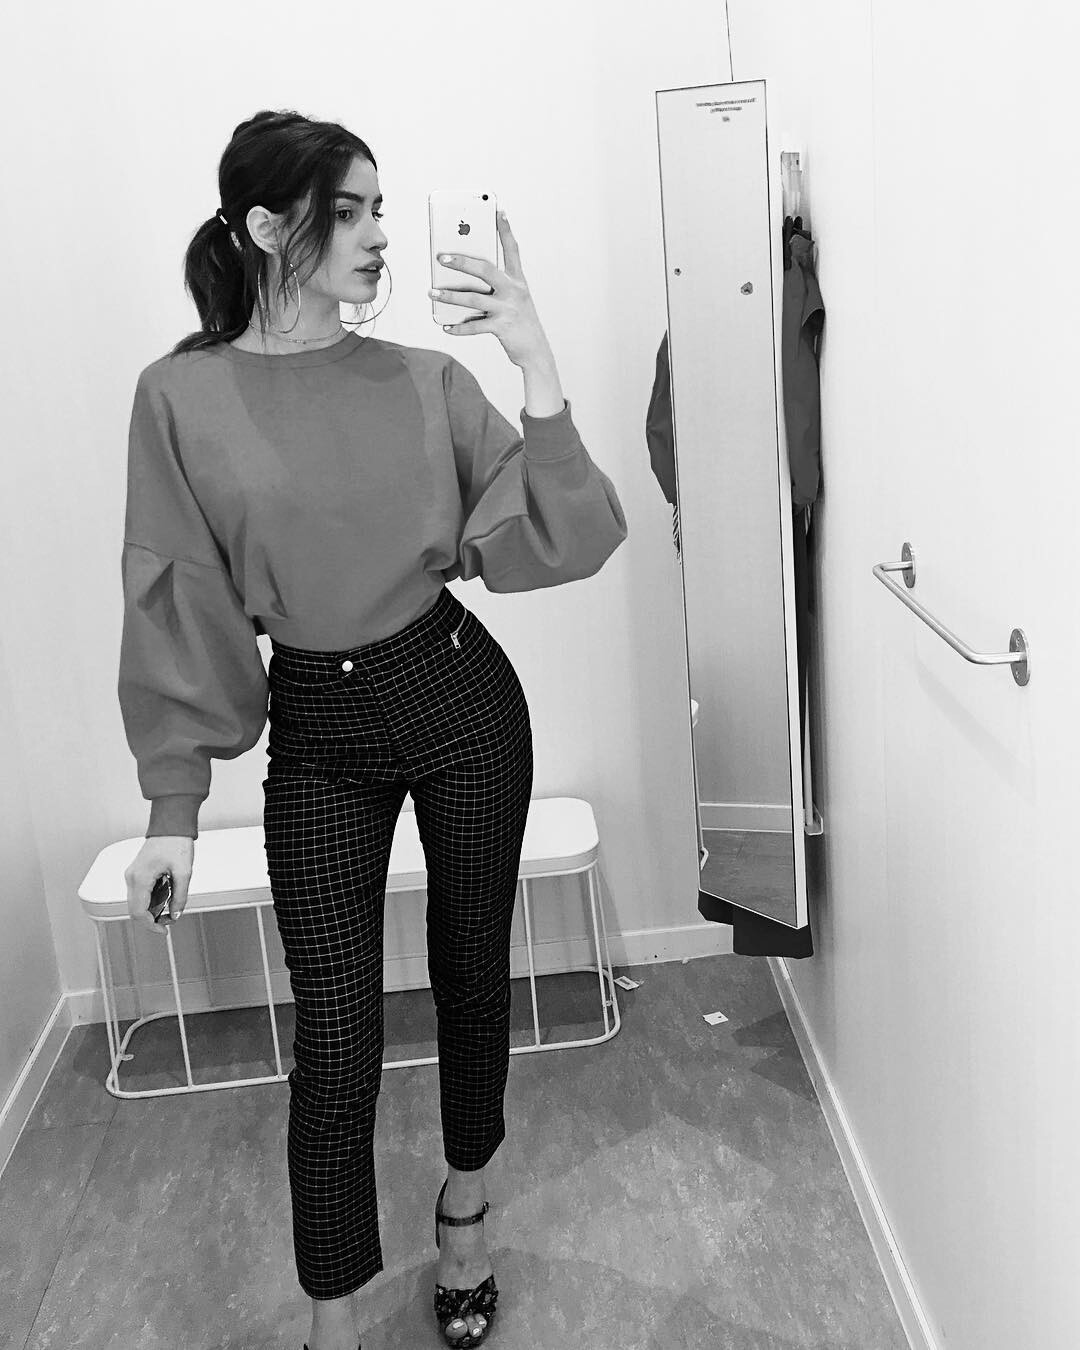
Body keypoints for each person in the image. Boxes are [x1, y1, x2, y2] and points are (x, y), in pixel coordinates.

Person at [117, 109, 628, 1350]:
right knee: (337, 1034)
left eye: (381, 210)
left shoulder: (426, 382)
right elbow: (176, 597)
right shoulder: (180, 397)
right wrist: (173, 809)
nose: (379, 235)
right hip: (320, 725)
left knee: (470, 972)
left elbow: (572, 535)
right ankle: (333, 1317)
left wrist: (533, 355)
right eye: (347, 212)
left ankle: (465, 1215)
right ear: (264, 227)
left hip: (456, 694)